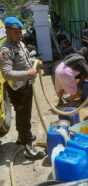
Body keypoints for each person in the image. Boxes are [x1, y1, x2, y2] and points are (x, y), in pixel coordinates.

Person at [0, 17, 44, 160]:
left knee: (23, 114)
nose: (19, 35)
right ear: (7, 32)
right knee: (24, 116)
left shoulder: (19, 43)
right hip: (18, 88)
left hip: (25, 85)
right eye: (15, 32)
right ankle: (28, 148)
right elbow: (6, 73)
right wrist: (28, 73)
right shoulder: (6, 50)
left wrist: (34, 62)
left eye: (20, 32)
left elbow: (24, 60)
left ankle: (22, 137)